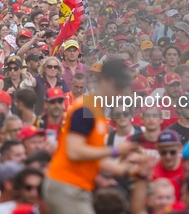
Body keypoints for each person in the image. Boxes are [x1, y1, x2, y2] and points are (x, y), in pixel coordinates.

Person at [44, 59, 141, 214]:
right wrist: (115, 150)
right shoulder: (86, 109)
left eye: (123, 87)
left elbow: (99, 161)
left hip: (76, 187)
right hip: (66, 184)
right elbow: (74, 151)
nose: (120, 91)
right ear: (103, 80)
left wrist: (131, 170)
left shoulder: (97, 111)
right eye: (117, 86)